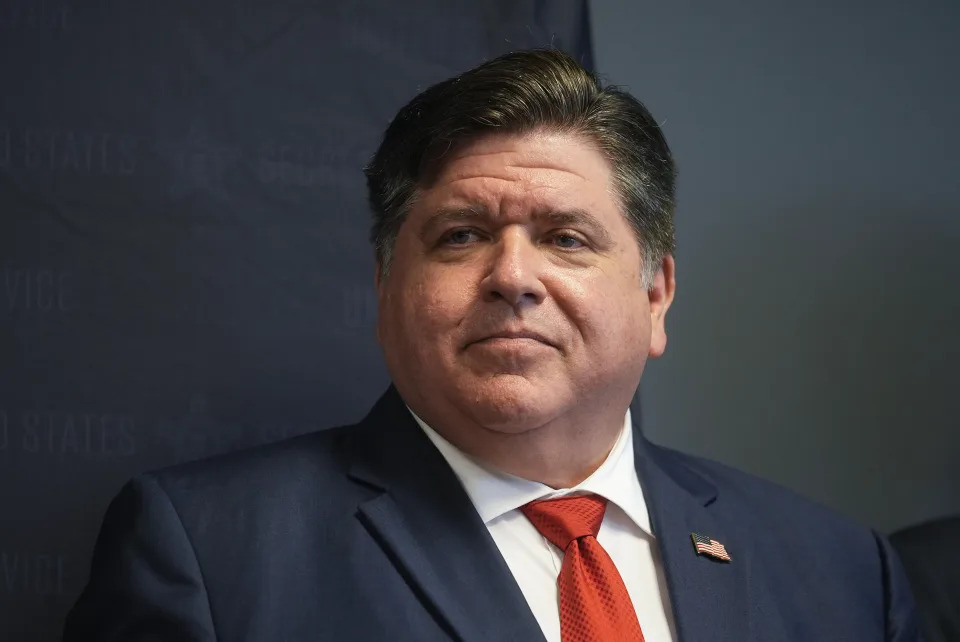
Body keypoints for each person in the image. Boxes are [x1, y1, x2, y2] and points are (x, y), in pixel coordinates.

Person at [63, 49, 920, 641]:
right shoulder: (208, 552)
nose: (514, 277)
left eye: (568, 239)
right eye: (462, 236)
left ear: (656, 294)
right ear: (384, 286)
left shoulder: (843, 570)